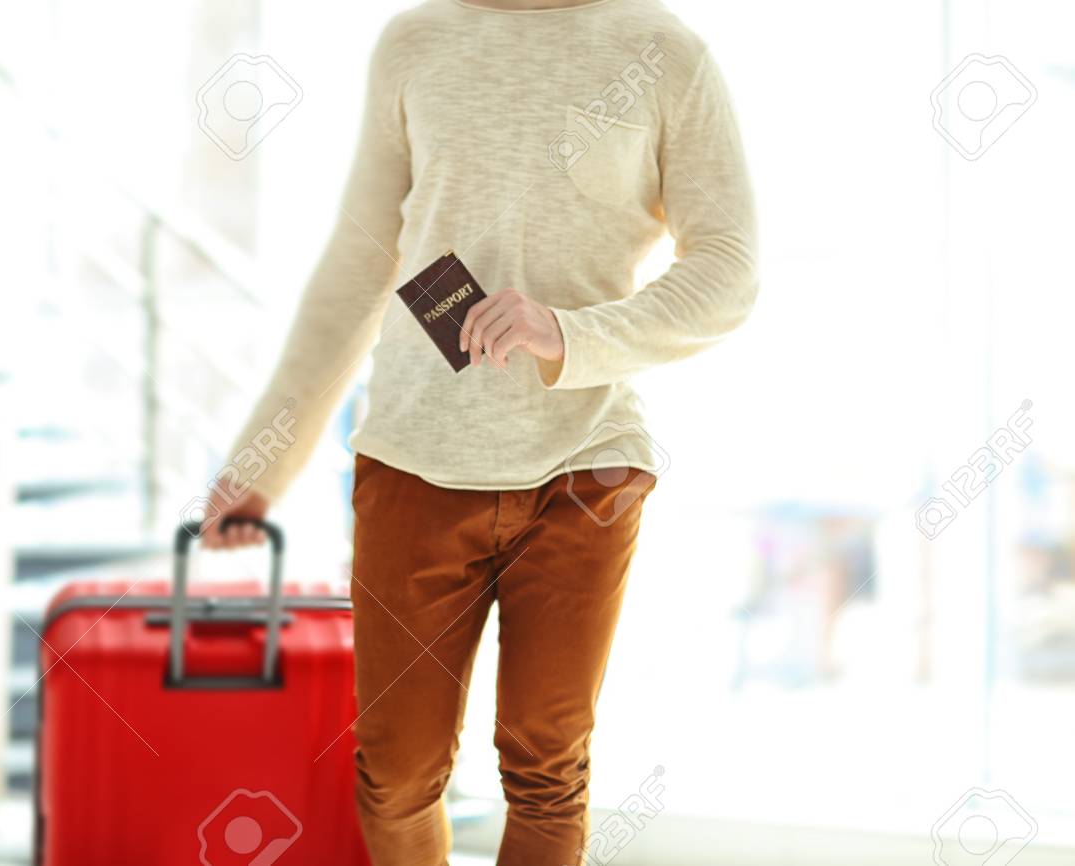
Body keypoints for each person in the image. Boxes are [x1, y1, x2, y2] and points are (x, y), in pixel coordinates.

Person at [201, 0, 757, 862]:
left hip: (587, 467)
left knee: (546, 767)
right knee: (395, 773)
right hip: (414, 457)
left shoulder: (666, 53)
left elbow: (728, 265)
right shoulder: (415, 43)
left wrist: (572, 335)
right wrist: (262, 459)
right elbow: (358, 264)